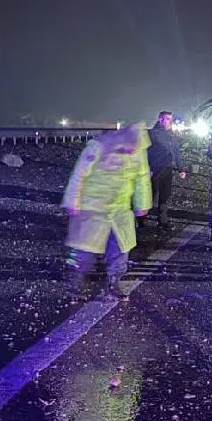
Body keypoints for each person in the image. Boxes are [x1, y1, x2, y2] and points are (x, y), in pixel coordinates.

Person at [61, 122, 152, 299]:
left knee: (120, 248)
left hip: (120, 210)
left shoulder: (138, 152)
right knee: (84, 249)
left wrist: (142, 204)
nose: (132, 152)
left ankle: (114, 282)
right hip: (93, 207)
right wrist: (73, 201)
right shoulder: (98, 147)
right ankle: (75, 282)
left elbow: (142, 178)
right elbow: (79, 174)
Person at [146, 111, 186, 230]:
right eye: (167, 119)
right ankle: (139, 218)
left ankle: (162, 220)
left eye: (170, 119)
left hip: (167, 169)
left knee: (165, 195)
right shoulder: (153, 133)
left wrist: (181, 169)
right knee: (150, 195)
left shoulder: (170, 135)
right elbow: (146, 151)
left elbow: (176, 152)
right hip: (155, 168)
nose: (170, 121)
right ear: (160, 119)